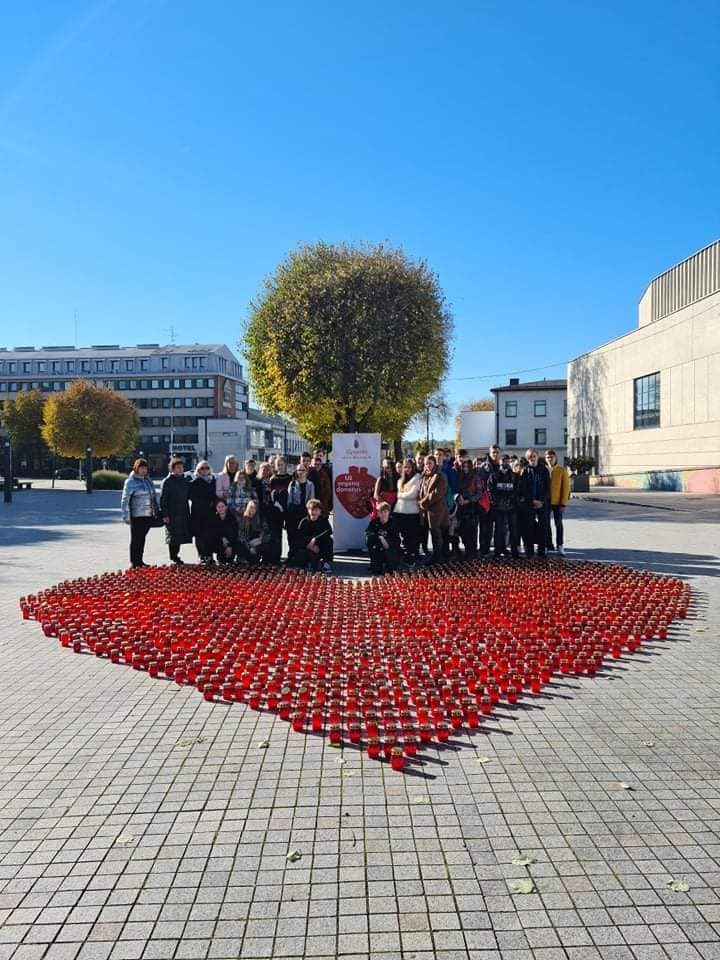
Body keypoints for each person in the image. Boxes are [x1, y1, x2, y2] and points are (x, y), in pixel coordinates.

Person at [121, 458, 160, 568]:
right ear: (136, 468)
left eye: (145, 468)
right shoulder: (130, 481)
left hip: (148, 515)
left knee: (142, 538)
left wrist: (156, 511)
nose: (143, 470)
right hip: (136, 516)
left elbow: (153, 497)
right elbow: (125, 500)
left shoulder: (148, 480)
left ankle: (140, 561)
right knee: (136, 539)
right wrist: (126, 516)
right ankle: (134, 562)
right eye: (141, 468)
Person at [517, 449, 550, 557]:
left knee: (543, 526)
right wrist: (532, 500)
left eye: (534, 456)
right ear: (528, 459)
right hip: (529, 504)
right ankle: (529, 550)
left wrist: (541, 500)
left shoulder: (544, 470)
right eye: (530, 457)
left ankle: (542, 550)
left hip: (542, 503)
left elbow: (548, 488)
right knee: (529, 527)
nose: (533, 458)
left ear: (537, 457)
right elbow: (523, 488)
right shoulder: (525, 471)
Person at [160, 457, 192, 564]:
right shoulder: (167, 481)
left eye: (182, 467)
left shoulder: (185, 480)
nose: (180, 469)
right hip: (172, 512)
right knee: (173, 536)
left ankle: (176, 555)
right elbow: (163, 499)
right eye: (178, 468)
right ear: (172, 469)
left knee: (180, 535)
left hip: (183, 511)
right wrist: (165, 514)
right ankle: (173, 556)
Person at [417, 455, 449, 563]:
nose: (427, 466)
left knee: (436, 533)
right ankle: (438, 556)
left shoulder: (440, 475)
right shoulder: (424, 476)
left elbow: (437, 493)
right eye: (426, 464)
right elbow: (421, 491)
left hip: (437, 510)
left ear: (434, 464)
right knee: (433, 532)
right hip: (427, 510)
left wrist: (423, 502)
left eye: (430, 463)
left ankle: (438, 557)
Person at [488, 457, 520, 559]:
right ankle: (497, 552)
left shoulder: (515, 476)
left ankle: (515, 553)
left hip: (512, 507)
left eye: (507, 462)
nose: (504, 464)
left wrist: (510, 501)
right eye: (503, 461)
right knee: (498, 530)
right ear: (499, 463)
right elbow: (490, 490)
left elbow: (518, 490)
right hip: (498, 508)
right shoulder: (494, 476)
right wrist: (498, 502)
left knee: (514, 530)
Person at [188, 460, 217, 562]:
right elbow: (191, 497)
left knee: (210, 535)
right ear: (198, 470)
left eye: (207, 468)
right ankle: (202, 556)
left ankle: (210, 555)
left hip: (211, 513)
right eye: (202, 468)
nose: (205, 470)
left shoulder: (214, 481)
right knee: (200, 536)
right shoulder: (194, 483)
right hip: (198, 513)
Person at [394, 458, 422, 565]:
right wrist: (402, 495)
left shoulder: (417, 478)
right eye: (405, 467)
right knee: (403, 536)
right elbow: (400, 494)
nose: (407, 469)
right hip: (400, 511)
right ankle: (405, 555)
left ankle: (412, 556)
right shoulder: (400, 480)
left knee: (412, 536)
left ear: (413, 467)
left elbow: (413, 494)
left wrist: (401, 495)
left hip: (412, 513)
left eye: (409, 467)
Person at [295, 499, 333, 572]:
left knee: (329, 540)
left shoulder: (323, 520)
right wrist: (309, 545)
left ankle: (325, 563)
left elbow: (329, 531)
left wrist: (315, 539)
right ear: (308, 511)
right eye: (311, 510)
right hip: (307, 546)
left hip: (319, 544)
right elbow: (299, 537)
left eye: (316, 510)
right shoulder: (304, 521)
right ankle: (307, 563)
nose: (314, 512)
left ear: (320, 511)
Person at [478, 445, 502, 557]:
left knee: (498, 527)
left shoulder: (501, 466)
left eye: (497, 452)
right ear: (489, 453)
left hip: (498, 502)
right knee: (485, 527)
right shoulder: (484, 466)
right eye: (493, 452)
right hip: (486, 501)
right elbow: (481, 484)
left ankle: (498, 549)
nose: (495, 454)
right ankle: (484, 549)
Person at [268, 457, 293, 563]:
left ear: (285, 465)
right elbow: (271, 494)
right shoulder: (273, 478)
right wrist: (276, 505)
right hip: (276, 510)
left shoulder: (290, 478)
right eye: (278, 464)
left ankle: (291, 556)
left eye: (281, 464)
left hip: (288, 509)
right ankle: (276, 556)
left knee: (290, 533)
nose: (280, 466)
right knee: (277, 534)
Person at [365, 501, 402, 574]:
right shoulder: (374, 522)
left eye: (385, 512)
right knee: (376, 570)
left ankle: (390, 565)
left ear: (389, 512)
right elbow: (368, 533)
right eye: (381, 512)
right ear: (378, 513)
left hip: (390, 548)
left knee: (391, 570)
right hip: (378, 546)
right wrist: (380, 538)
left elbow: (397, 539)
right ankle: (375, 565)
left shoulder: (393, 523)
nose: (383, 514)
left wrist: (386, 541)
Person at [286, 464, 315, 556]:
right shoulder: (293, 484)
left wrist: (309, 513)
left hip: (305, 512)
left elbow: (311, 500)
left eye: (303, 470)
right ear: (296, 472)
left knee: (303, 535)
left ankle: (302, 555)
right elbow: (289, 500)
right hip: (294, 512)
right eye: (299, 470)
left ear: (306, 472)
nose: (301, 472)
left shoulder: (310, 484)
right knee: (292, 535)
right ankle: (292, 554)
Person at [546, 449, 570, 554]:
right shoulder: (544, 469)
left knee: (558, 523)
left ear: (555, 458)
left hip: (558, 501)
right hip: (546, 501)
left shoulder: (561, 470)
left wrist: (563, 503)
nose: (549, 459)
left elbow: (566, 488)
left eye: (551, 457)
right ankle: (548, 544)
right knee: (545, 524)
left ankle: (560, 545)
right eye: (547, 457)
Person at [455, 459, 480, 559]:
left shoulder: (475, 477)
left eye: (467, 467)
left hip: (472, 507)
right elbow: (456, 489)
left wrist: (469, 500)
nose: (465, 469)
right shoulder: (460, 476)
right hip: (461, 506)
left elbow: (479, 492)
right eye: (463, 466)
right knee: (462, 531)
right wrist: (458, 497)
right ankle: (467, 551)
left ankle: (472, 553)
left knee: (472, 532)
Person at [236, 500, 268, 565]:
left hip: (256, 544)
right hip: (246, 544)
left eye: (254, 508)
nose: (252, 510)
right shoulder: (242, 518)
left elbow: (265, 531)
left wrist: (259, 541)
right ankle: (241, 558)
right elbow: (241, 535)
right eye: (251, 507)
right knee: (238, 544)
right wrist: (249, 547)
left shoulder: (260, 518)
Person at [207, 499, 239, 564]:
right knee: (207, 539)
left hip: (231, 543)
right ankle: (211, 557)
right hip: (219, 543)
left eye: (222, 506)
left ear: (226, 507)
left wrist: (229, 545)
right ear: (216, 508)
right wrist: (222, 538)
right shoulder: (213, 519)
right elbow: (213, 533)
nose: (221, 508)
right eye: (218, 507)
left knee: (238, 546)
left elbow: (234, 533)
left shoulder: (232, 518)